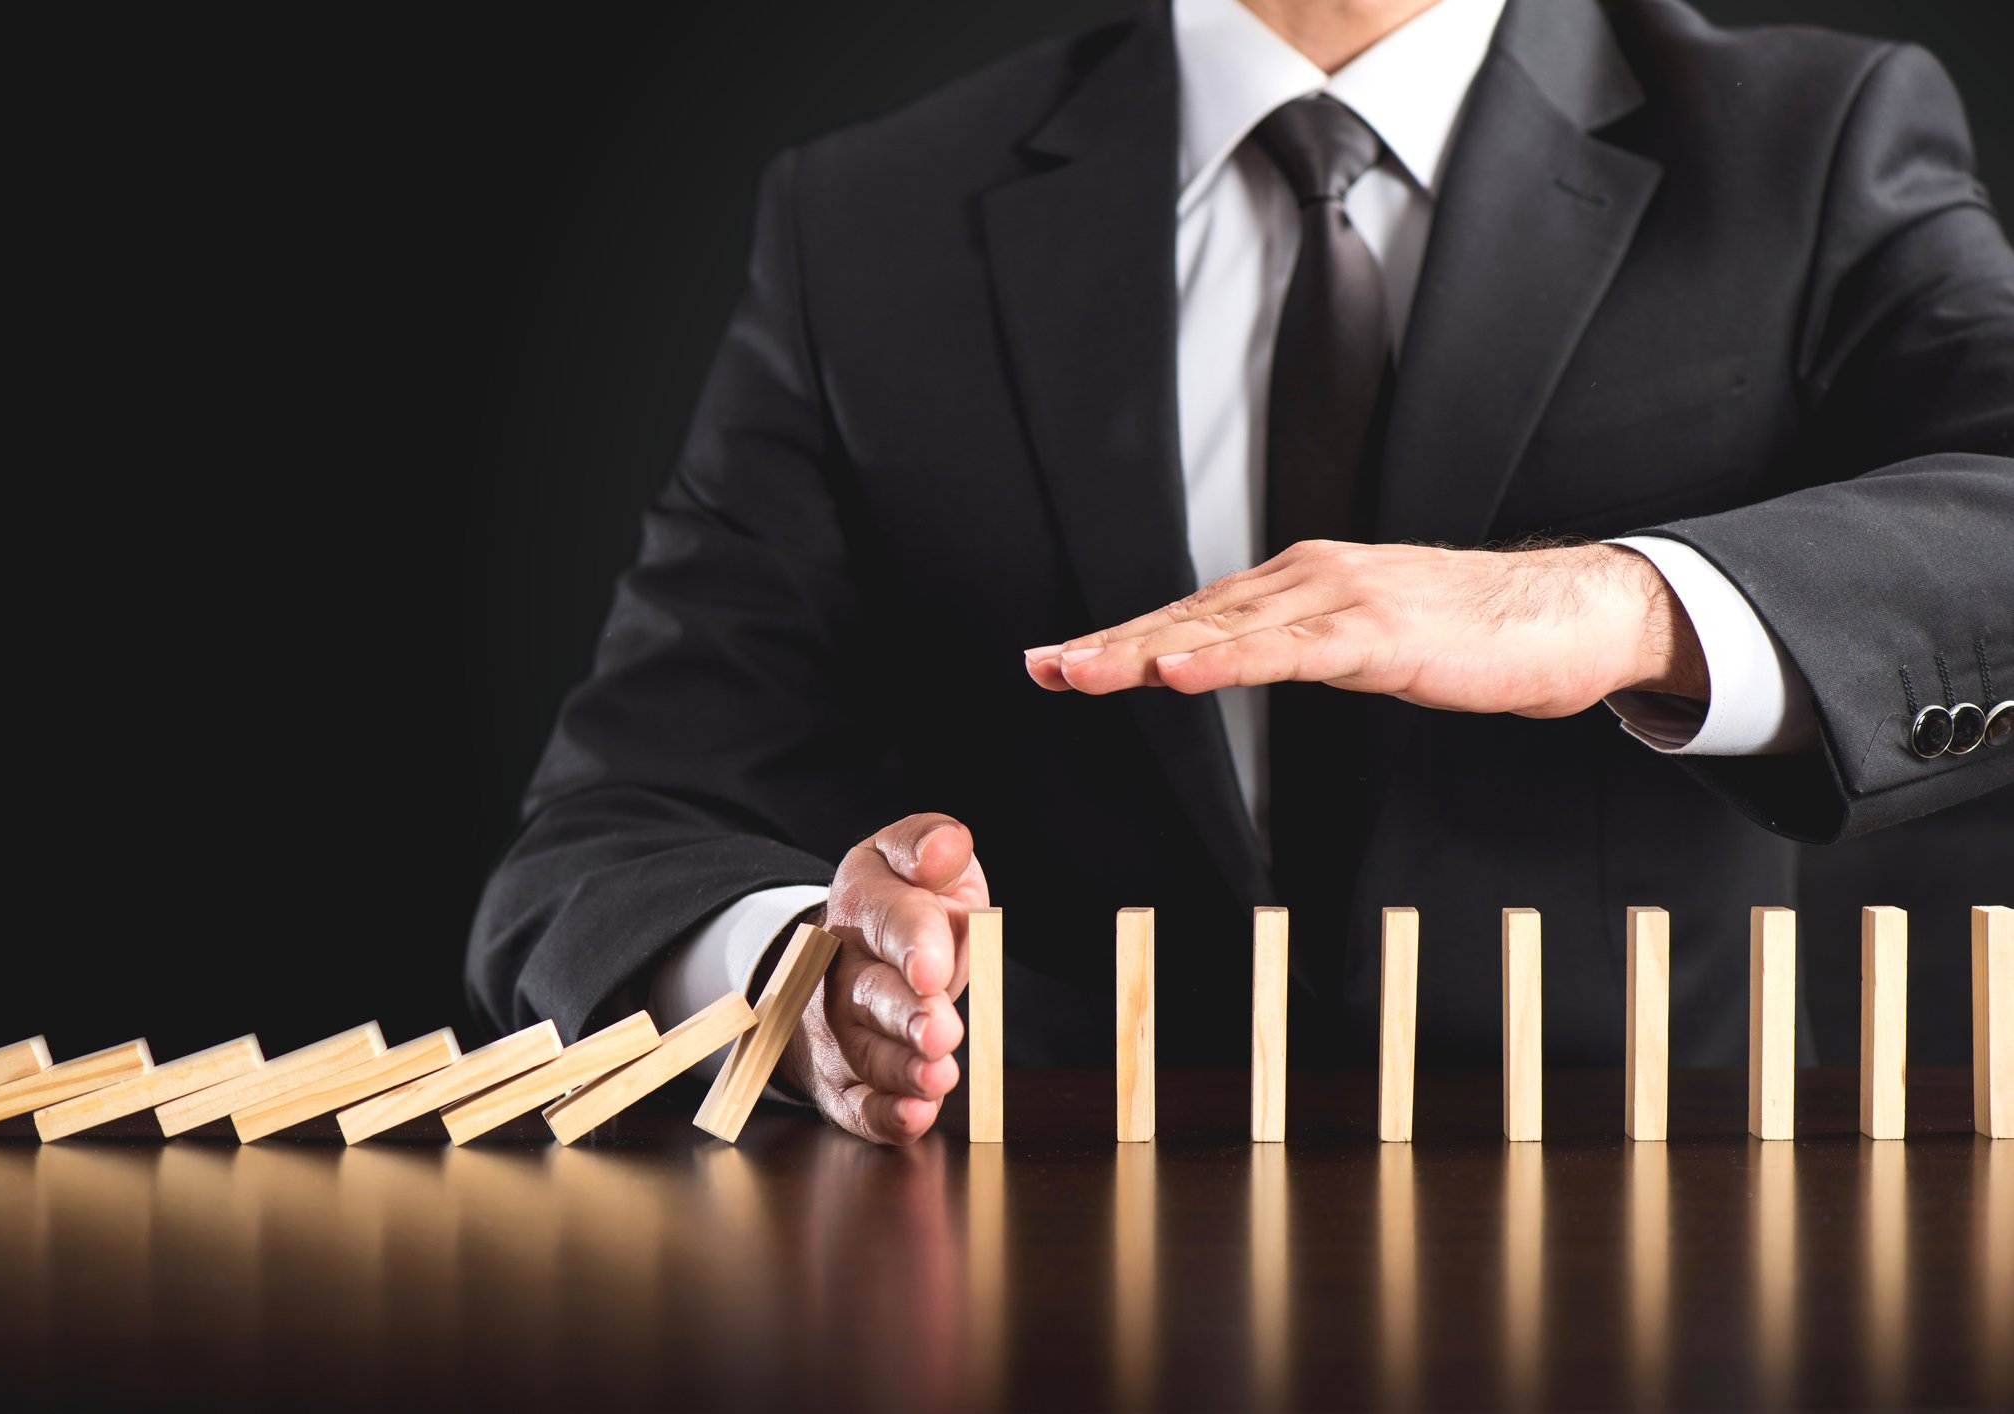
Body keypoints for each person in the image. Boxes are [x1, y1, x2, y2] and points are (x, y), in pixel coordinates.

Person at [467, 0, 2014, 1143]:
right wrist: (813, 980)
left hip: (1658, 1257)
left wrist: (1595, 603)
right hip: (1036, 1273)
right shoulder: (870, 220)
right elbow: (609, 833)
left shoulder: (1812, 145)